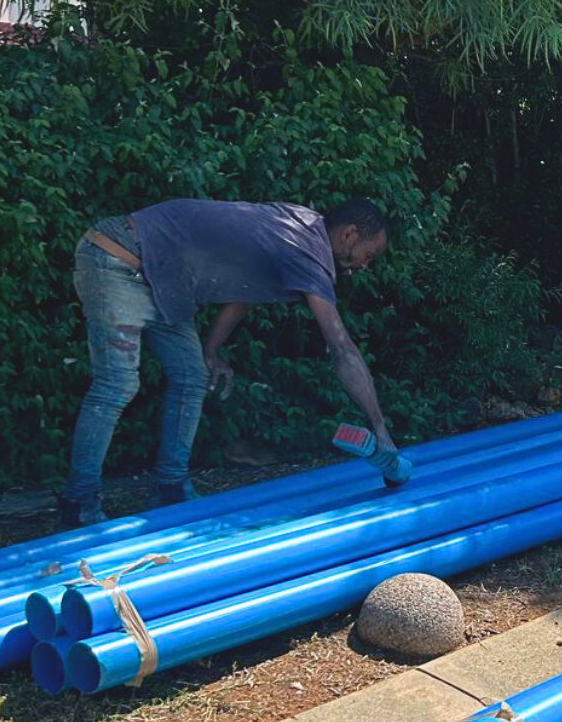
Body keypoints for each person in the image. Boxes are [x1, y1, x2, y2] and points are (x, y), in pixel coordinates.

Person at [58, 198, 411, 527]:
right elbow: (341, 347)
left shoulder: (299, 227)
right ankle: (79, 502)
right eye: (369, 254)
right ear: (349, 234)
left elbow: (245, 292)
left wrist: (211, 351)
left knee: (192, 376)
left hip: (163, 278)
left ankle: (170, 489)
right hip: (120, 258)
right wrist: (380, 429)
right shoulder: (306, 250)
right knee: (117, 383)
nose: (366, 265)